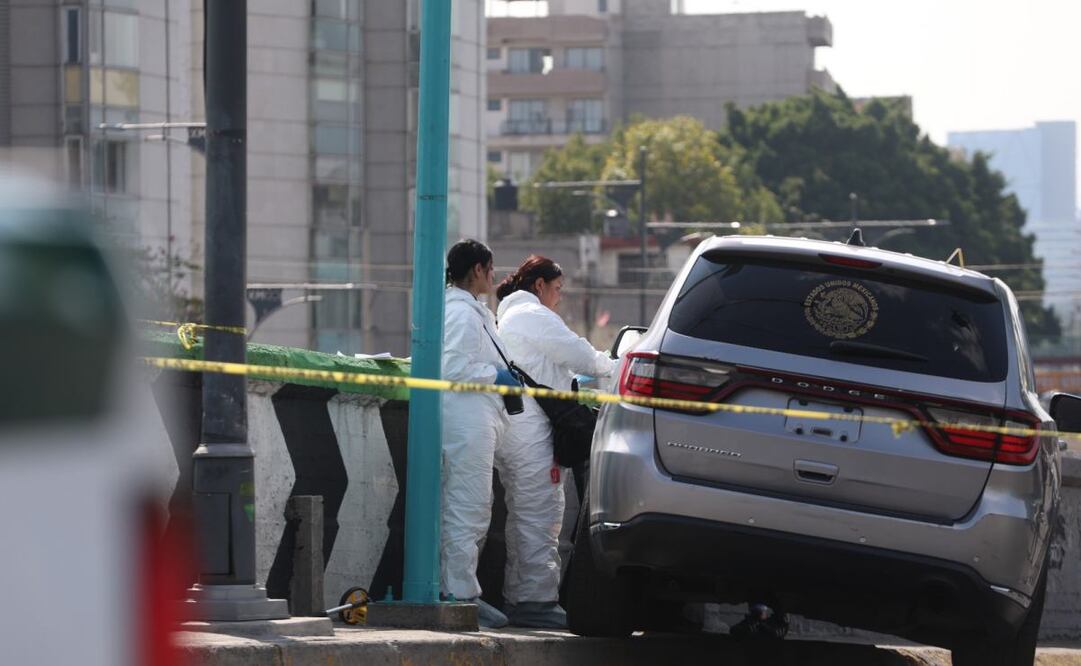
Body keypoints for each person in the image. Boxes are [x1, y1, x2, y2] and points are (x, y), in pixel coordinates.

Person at [494, 255, 617, 628]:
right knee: (539, 515)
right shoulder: (532, 317)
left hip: (520, 426)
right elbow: (579, 353)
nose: (559, 298)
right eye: (558, 289)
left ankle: (524, 598)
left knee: (528, 515)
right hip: (531, 432)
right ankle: (534, 601)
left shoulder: (509, 317)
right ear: (539, 286)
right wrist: (621, 365)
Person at [440, 239, 521, 629]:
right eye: (491, 269)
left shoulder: (471, 311)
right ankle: (459, 595)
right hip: (466, 418)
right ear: (477, 269)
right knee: (467, 508)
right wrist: (497, 377)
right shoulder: (462, 313)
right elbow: (453, 369)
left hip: (474, 418)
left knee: (470, 505)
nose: (494, 276)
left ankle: (460, 591)